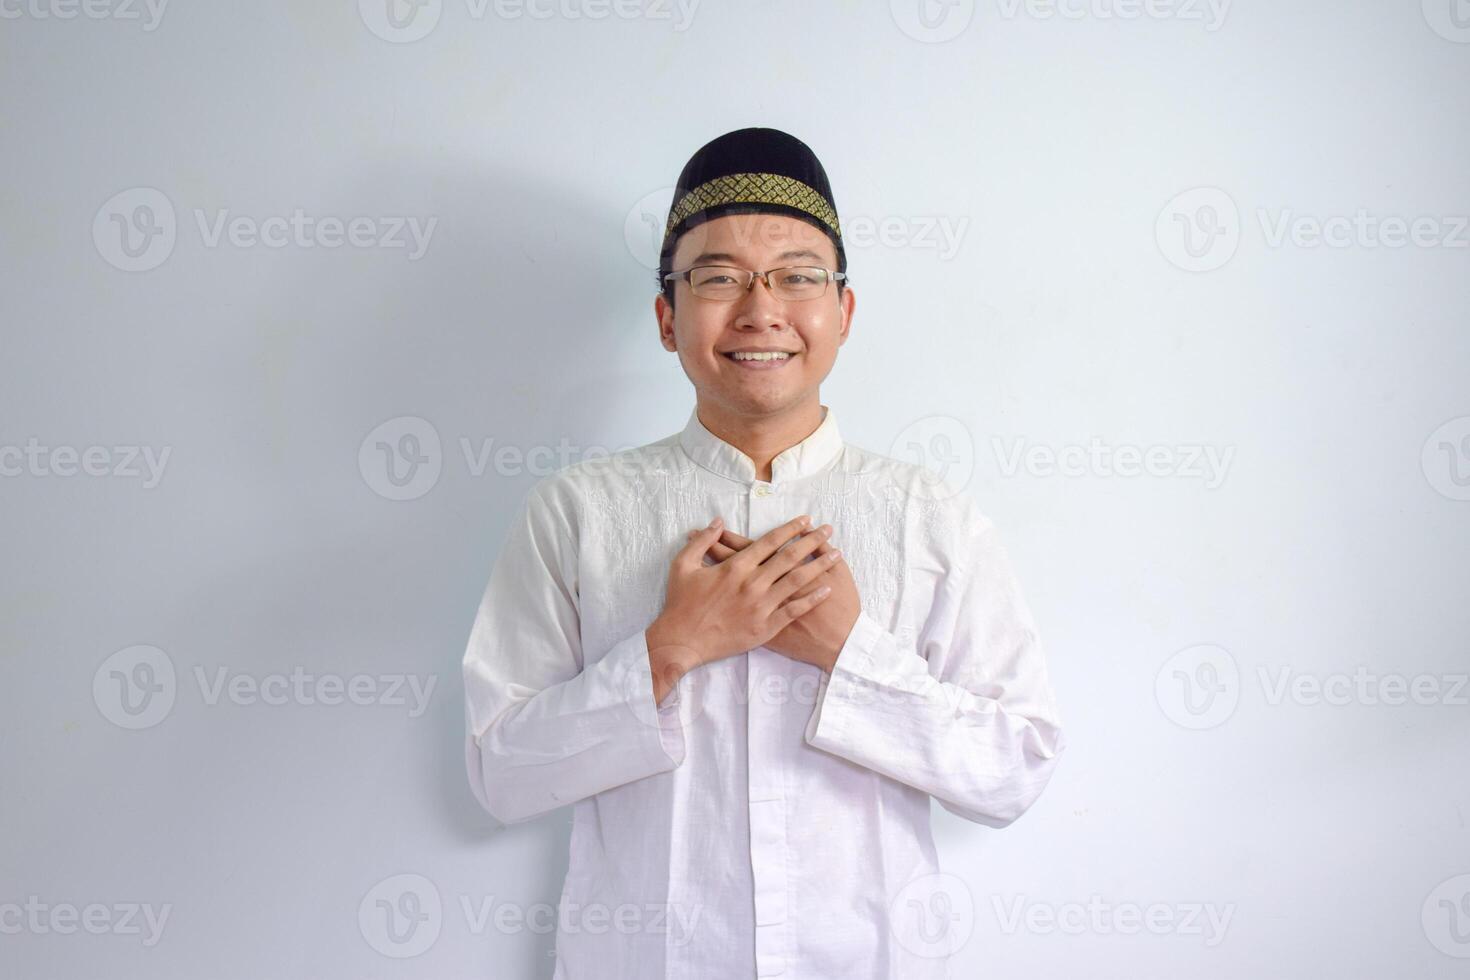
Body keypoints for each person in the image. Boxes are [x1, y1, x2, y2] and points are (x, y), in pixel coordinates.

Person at [461, 127, 1067, 979]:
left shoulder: (928, 516)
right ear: (668, 318)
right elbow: (501, 773)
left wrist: (846, 655)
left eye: (797, 275)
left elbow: (1015, 768)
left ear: (843, 313)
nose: (760, 309)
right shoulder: (577, 512)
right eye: (718, 279)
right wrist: (674, 648)